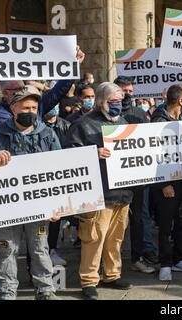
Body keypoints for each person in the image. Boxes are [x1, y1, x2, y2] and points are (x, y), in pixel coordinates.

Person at [0, 85, 62, 300]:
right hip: (7, 207)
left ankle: (45, 289)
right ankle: (8, 292)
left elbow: (61, 169)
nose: (30, 111)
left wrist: (57, 206)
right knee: (7, 249)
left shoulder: (48, 134)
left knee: (39, 248)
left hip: (39, 206)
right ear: (13, 109)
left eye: (34, 107)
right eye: (25, 107)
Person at [65, 82, 134, 300]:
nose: (118, 105)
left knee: (115, 239)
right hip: (98, 193)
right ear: (101, 101)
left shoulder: (123, 122)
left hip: (122, 193)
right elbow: (68, 155)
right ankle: (89, 280)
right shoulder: (84, 124)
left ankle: (112, 275)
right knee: (94, 238)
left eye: (120, 101)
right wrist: (93, 153)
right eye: (113, 102)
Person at [150, 84, 182, 281]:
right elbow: (155, 154)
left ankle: (180, 258)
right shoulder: (158, 122)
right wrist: (164, 183)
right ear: (180, 101)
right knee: (165, 224)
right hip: (167, 183)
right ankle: (165, 263)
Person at [113, 77, 154, 274]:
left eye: (130, 91)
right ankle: (111, 260)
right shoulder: (107, 113)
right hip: (114, 177)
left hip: (137, 175)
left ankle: (137, 256)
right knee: (114, 220)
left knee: (138, 218)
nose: (128, 94)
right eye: (123, 91)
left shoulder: (140, 113)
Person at [43, 104, 71, 267]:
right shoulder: (38, 125)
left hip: (58, 176)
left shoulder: (66, 125)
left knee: (55, 217)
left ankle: (52, 249)